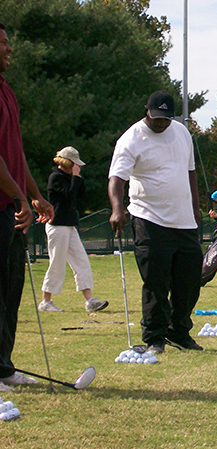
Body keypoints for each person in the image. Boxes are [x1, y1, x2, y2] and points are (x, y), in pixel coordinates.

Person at [108, 91, 204, 354]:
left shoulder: (182, 133)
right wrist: (118, 209)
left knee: (189, 280)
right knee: (156, 281)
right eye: (157, 118)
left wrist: (195, 208)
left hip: (184, 220)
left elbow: (190, 172)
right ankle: (155, 337)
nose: (162, 124)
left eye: (167, 119)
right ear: (146, 112)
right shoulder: (131, 139)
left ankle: (179, 331)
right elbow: (116, 179)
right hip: (149, 217)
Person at [0, 22, 55, 391]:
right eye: (2, 44)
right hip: (3, 204)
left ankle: (3, 366)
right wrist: (19, 196)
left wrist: (34, 194)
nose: (9, 49)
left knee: (11, 288)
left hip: (12, 207)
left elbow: (14, 152)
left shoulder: (8, 92)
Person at [37, 147, 109, 313]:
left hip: (69, 226)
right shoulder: (55, 178)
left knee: (81, 262)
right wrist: (75, 177)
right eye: (76, 164)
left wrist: (77, 178)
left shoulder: (70, 178)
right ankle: (45, 301)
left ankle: (90, 301)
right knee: (57, 264)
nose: (78, 167)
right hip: (57, 226)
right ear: (68, 162)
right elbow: (68, 194)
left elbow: (80, 195)